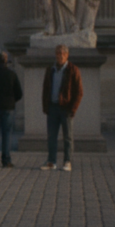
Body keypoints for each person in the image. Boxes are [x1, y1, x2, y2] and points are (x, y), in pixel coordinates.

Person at [41, 44, 82, 172]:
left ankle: (67, 161)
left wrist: (73, 109)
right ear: (55, 54)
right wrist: (45, 106)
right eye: (58, 53)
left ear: (67, 55)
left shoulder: (73, 69)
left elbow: (79, 92)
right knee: (51, 136)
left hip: (66, 108)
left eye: (63, 53)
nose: (60, 56)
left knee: (67, 137)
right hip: (52, 107)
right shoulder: (50, 70)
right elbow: (45, 89)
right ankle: (51, 161)